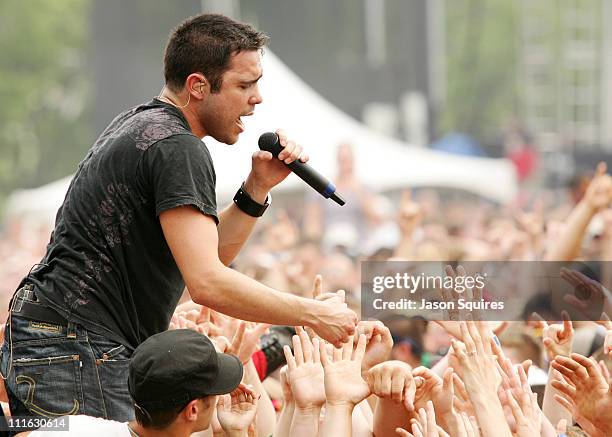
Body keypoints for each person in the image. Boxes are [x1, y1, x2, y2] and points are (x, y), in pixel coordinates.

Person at [0, 13, 356, 423]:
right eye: (244, 85)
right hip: (76, 348)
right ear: (198, 86)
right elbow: (206, 282)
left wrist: (256, 190)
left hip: (63, 343)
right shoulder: (177, 147)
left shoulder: (143, 124)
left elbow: (206, 257)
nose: (256, 98)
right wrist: (312, 314)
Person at [15, 329, 257, 437]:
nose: (217, 400)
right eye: (213, 392)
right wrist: (237, 431)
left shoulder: (78, 429)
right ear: (192, 410)